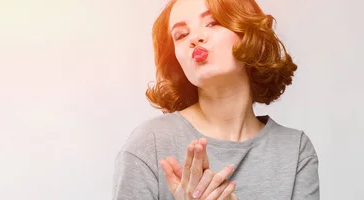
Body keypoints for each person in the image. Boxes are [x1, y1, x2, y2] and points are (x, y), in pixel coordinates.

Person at [112, 0, 319, 199]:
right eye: (181, 35)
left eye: (212, 23)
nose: (195, 39)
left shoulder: (295, 149)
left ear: (247, 33)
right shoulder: (150, 143)